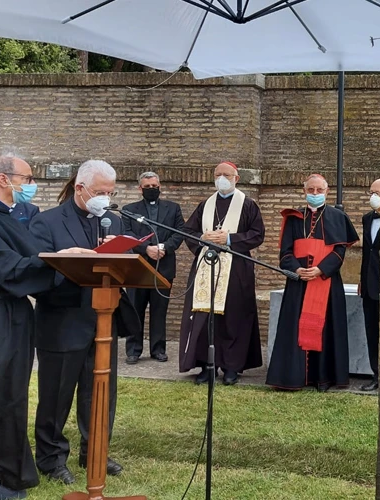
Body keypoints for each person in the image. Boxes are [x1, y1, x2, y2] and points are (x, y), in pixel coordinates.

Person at [0, 153, 88, 500]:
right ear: (4, 179)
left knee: (10, 396)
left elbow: (30, 257)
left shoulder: (3, 217)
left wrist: (66, 257)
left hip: (14, 317)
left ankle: (4, 476)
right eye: (27, 178)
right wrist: (57, 260)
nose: (30, 185)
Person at [30, 160, 127, 484]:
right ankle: (50, 458)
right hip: (62, 321)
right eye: (101, 192)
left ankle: (95, 449)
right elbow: (36, 274)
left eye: (110, 192)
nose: (106, 198)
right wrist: (69, 261)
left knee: (100, 393)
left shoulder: (111, 220)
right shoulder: (46, 222)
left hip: (102, 322)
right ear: (80, 188)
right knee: (56, 395)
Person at [266, 174, 359, 391]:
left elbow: (339, 251)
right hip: (299, 283)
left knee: (326, 330)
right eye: (311, 190)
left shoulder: (338, 217)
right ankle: (294, 377)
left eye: (319, 190)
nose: (315, 194)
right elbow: (285, 253)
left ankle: (323, 379)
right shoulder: (293, 217)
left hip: (326, 282)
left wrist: (319, 270)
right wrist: (297, 269)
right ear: (304, 190)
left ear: (327, 192)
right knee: (295, 329)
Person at [178, 161, 265, 386]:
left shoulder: (248, 205)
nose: (222, 179)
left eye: (227, 175)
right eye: (218, 175)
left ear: (237, 178)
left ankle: (231, 367)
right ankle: (208, 366)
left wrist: (228, 239)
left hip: (236, 271)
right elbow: (188, 231)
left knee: (233, 317)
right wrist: (203, 239)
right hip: (206, 268)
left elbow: (257, 234)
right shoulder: (205, 205)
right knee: (206, 319)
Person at [122, 171, 185, 364]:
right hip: (138, 267)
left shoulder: (173, 208)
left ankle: (158, 349)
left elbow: (180, 231)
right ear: (140, 188)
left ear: (160, 187)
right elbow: (126, 234)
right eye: (147, 187)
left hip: (163, 265)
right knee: (135, 309)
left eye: (154, 187)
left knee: (159, 311)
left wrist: (164, 247)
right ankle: (133, 350)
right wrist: (145, 249)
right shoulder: (128, 210)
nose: (152, 190)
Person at [359, 178, 380, 391]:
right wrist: (361, 281)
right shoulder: (367, 219)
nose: (373, 197)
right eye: (371, 192)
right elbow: (366, 253)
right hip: (368, 286)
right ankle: (376, 374)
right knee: (371, 332)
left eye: (378, 193)